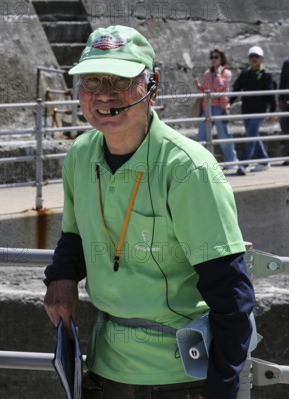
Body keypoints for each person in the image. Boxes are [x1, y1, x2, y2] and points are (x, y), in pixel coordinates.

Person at [43, 25, 255, 399]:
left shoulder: (189, 169)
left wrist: (221, 389)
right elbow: (75, 235)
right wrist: (60, 277)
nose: (104, 94)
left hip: (178, 375)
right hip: (105, 366)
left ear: (153, 85)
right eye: (91, 81)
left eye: (120, 80)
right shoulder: (79, 155)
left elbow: (231, 295)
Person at [229, 45, 276, 175]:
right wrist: (229, 103)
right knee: (253, 135)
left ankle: (243, 165)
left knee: (250, 136)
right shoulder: (245, 74)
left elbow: (271, 95)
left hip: (259, 111)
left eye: (256, 56)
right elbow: (236, 89)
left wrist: (273, 112)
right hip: (247, 110)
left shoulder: (266, 75)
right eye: (251, 56)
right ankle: (264, 161)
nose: (254, 59)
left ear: (262, 58)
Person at [193, 48, 238, 167]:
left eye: (216, 57)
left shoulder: (226, 73)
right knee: (201, 137)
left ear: (221, 59)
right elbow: (206, 91)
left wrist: (218, 74)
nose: (213, 59)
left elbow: (219, 89)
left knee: (224, 137)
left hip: (220, 108)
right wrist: (198, 86)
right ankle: (202, 162)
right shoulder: (207, 73)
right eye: (211, 57)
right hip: (206, 107)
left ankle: (231, 162)